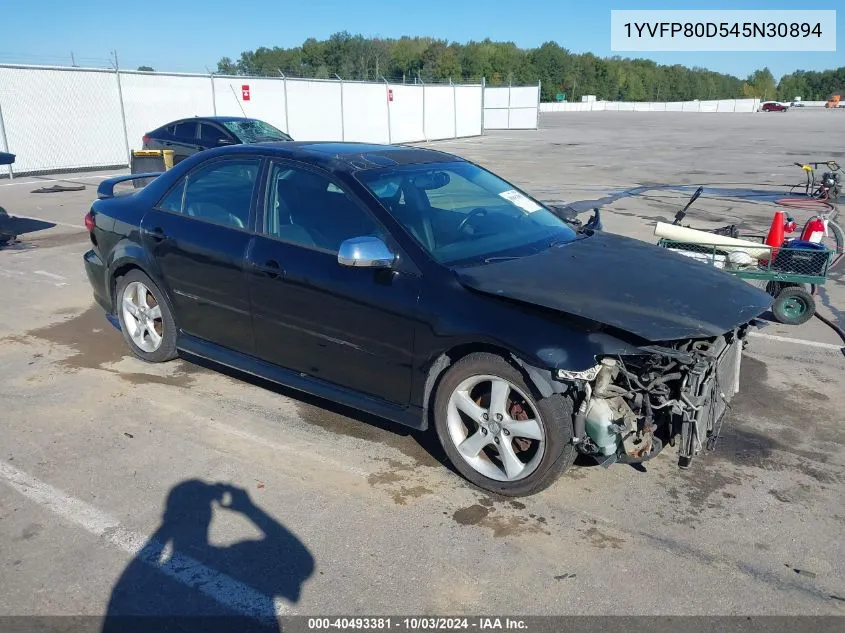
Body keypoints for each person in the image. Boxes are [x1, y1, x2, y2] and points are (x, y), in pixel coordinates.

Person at [102, 479, 314, 633]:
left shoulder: (145, 583)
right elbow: (299, 556)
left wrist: (168, 525)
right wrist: (248, 509)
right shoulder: (230, 560)